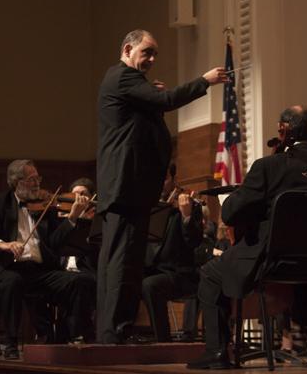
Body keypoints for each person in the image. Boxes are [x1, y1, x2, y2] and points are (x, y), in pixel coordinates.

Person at [187, 105, 307, 369]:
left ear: (283, 130)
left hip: (272, 262)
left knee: (209, 273)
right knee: (304, 282)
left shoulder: (268, 167)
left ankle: (217, 352)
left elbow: (230, 213)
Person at [96, 28, 228, 344]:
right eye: (147, 52)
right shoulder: (123, 77)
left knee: (126, 262)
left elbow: (150, 111)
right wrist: (204, 81)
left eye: (155, 54)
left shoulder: (131, 84)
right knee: (122, 262)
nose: (152, 59)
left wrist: (151, 99)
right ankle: (113, 332)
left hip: (132, 187)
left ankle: (118, 329)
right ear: (127, 49)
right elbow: (167, 100)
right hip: (126, 186)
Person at [0, 159, 94, 359]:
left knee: (81, 280)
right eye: (31, 179)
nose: (37, 183)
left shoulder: (45, 205)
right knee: (13, 282)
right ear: (16, 182)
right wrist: (4, 244)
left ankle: (67, 336)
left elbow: (55, 242)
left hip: (40, 270)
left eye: (38, 178)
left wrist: (72, 217)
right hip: (9, 268)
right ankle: (10, 343)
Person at [141, 167, 203, 342]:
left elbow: (194, 241)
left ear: (174, 180)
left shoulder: (190, 205)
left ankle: (163, 341)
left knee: (149, 285)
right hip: (153, 270)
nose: (160, 182)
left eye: (164, 178)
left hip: (180, 274)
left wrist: (186, 216)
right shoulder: (149, 208)